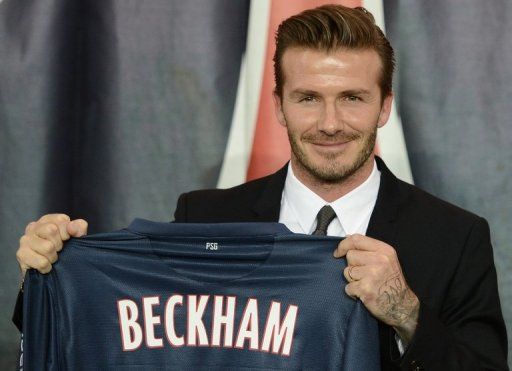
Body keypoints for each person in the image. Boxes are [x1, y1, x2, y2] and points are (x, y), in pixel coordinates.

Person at [14, 4, 508, 371]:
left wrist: (406, 313)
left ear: (384, 106)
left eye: (353, 98)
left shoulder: (454, 236)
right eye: (308, 98)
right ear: (279, 106)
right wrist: (49, 274)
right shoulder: (203, 218)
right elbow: (136, 335)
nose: (330, 123)